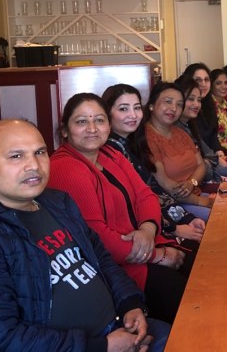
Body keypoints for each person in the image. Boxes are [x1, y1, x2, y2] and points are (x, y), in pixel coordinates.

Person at [0, 119, 169, 351]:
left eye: (40, 152)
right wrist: (102, 346)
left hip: (121, 328)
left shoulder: (58, 202)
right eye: (16, 156)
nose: (34, 165)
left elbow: (102, 260)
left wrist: (130, 303)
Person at [48, 93, 189, 324]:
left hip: (145, 246)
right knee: (190, 298)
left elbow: (146, 195)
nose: (92, 128)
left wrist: (147, 229)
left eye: (99, 120)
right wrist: (156, 255)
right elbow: (97, 237)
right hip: (115, 270)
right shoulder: (65, 168)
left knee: (205, 266)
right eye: (81, 121)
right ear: (65, 130)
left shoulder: (110, 153)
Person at [102, 83, 206, 245]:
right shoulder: (110, 151)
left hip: (161, 218)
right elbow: (132, 203)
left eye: (136, 108)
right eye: (123, 109)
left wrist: (186, 218)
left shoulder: (133, 143)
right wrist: (175, 228)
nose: (133, 115)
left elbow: (153, 190)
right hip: (139, 233)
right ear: (107, 113)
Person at [142, 82, 213, 221]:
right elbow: (164, 183)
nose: (174, 108)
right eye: (168, 102)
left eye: (179, 104)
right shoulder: (147, 137)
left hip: (196, 194)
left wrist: (191, 182)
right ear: (151, 105)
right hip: (174, 204)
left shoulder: (180, 133)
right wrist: (199, 201)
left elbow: (201, 165)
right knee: (219, 217)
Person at [174, 76, 227, 181]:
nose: (196, 104)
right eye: (191, 99)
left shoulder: (190, 123)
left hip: (213, 162)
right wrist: (217, 161)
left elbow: (208, 149)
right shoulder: (178, 128)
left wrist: (221, 157)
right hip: (203, 173)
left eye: (199, 100)